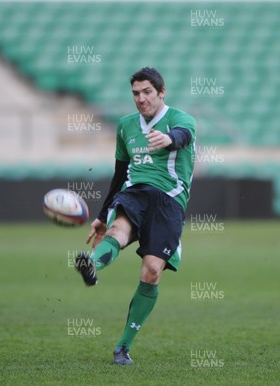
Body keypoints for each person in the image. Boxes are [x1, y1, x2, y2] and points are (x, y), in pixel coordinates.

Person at [75, 67, 197, 364]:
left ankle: (123, 346)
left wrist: (169, 139)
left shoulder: (179, 119)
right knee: (117, 232)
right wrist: (103, 216)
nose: (141, 99)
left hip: (169, 200)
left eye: (147, 92)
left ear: (161, 92)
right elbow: (119, 174)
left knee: (152, 270)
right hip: (135, 192)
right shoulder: (126, 126)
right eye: (135, 94)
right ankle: (90, 265)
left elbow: (184, 136)